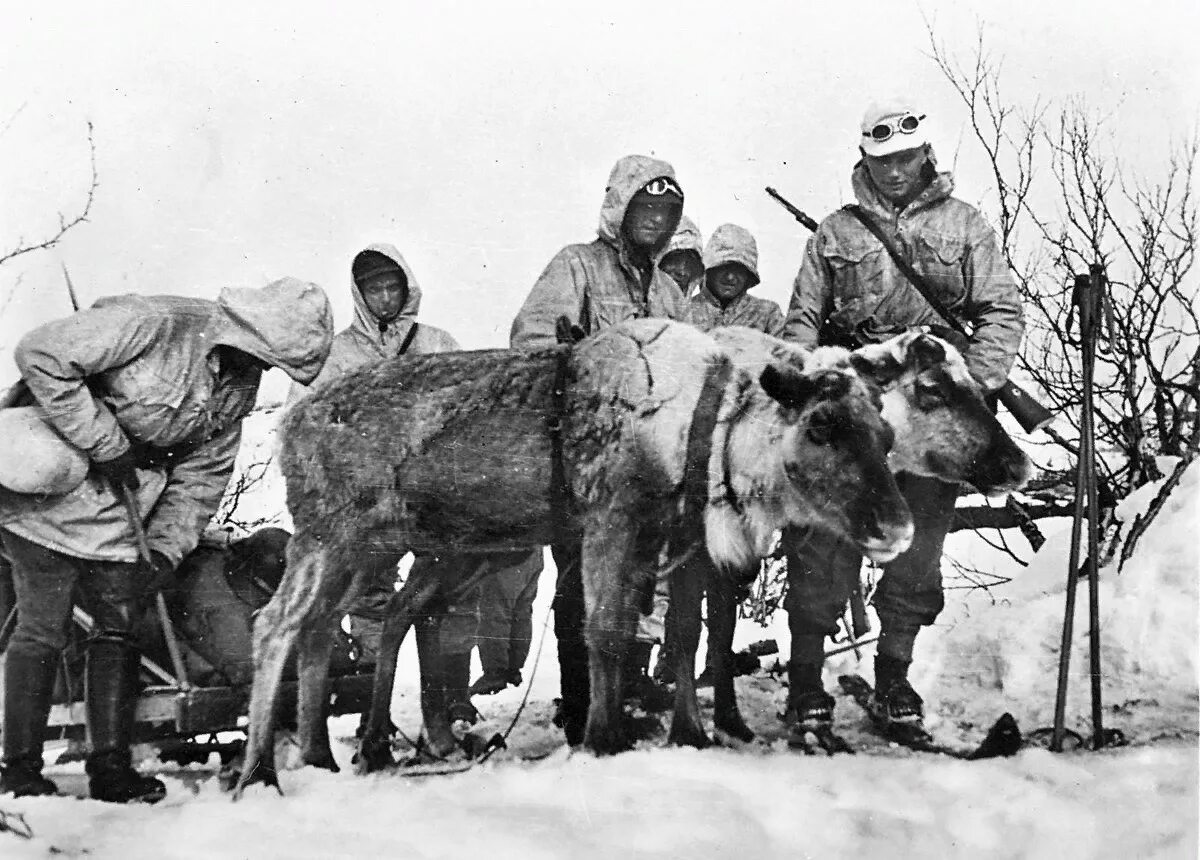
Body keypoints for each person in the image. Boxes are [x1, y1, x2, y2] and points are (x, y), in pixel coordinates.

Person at [0, 278, 333, 801]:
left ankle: (110, 768)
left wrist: (164, 548)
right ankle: (19, 770)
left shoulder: (238, 390)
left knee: (120, 629)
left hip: (122, 513)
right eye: (262, 356)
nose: (261, 370)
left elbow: (202, 479)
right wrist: (104, 441)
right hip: (47, 493)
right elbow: (40, 355)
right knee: (44, 627)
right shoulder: (151, 322)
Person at [780, 99, 1024, 744]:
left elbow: (1001, 309)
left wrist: (972, 384)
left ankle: (894, 673)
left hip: (930, 412)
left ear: (926, 155)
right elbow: (801, 322)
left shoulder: (965, 224)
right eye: (881, 158)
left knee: (918, 549)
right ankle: (806, 679)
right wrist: (819, 390)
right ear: (864, 158)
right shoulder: (836, 232)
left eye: (906, 157)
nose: (894, 170)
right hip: (860, 412)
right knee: (822, 545)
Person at [510, 154, 686, 744]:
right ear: (620, 208)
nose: (655, 222)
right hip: (583, 462)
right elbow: (532, 339)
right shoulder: (577, 265)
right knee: (580, 583)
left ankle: (625, 691)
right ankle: (583, 701)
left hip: (650, 467)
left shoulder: (669, 291)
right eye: (645, 208)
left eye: (666, 212)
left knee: (638, 582)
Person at [288, 244, 477, 747]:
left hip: (434, 494)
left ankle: (443, 712)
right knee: (365, 598)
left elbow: (470, 410)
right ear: (360, 293)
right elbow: (303, 418)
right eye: (374, 288)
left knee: (437, 595)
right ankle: (375, 713)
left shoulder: (437, 343)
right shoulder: (339, 353)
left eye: (393, 285)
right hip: (367, 497)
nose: (386, 296)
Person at [686, 223, 785, 336]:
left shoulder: (767, 314)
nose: (730, 277)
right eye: (724, 267)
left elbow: (789, 351)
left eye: (739, 270)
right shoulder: (684, 312)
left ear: (748, 276)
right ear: (710, 270)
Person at [657, 216, 705, 297]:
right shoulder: (634, 303)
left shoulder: (696, 309)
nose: (682, 272)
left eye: (690, 264)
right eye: (675, 260)